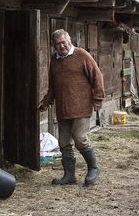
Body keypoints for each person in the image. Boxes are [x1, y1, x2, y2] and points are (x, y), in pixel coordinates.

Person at [39, 29, 105, 187]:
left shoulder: (82, 55)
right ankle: (69, 176)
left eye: (64, 42)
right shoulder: (54, 60)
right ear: (53, 46)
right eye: (57, 44)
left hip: (81, 107)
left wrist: (98, 99)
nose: (61, 46)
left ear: (69, 41)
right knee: (64, 143)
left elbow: (97, 76)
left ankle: (93, 168)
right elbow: (53, 86)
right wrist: (46, 102)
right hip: (63, 108)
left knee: (80, 139)